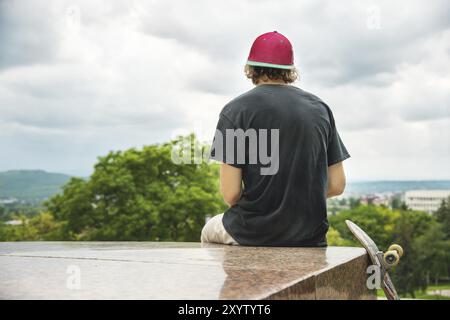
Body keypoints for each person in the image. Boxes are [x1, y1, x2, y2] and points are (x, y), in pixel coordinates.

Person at [201, 31, 350, 247]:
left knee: (208, 231)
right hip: (309, 236)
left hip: (251, 232)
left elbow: (231, 194)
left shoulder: (235, 111)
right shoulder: (320, 109)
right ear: (290, 71)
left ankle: (234, 281)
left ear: (251, 68)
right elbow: (337, 184)